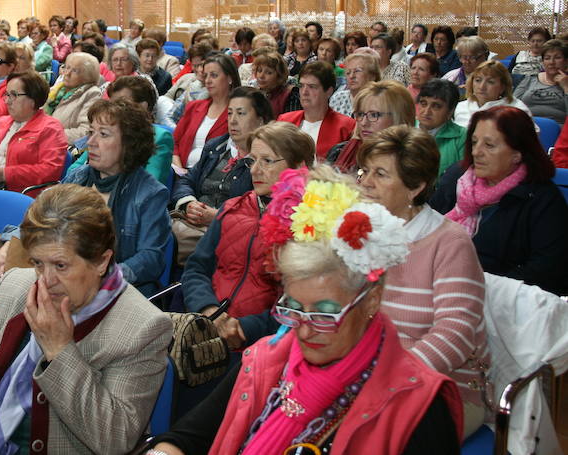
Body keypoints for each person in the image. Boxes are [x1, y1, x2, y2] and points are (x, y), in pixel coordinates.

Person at [148, 166, 462, 455]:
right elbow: (189, 437)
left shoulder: (417, 409)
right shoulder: (267, 361)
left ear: (371, 300)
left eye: (325, 314)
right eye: (293, 308)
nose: (305, 329)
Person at [0, 184, 171, 454]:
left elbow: (116, 438)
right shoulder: (16, 284)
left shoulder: (142, 328)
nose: (46, 281)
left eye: (61, 265)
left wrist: (60, 351)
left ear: (101, 261)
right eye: (38, 263)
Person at [359, 126, 489, 435]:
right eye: (365, 171)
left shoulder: (449, 242)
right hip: (364, 374)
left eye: (380, 174)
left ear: (415, 186)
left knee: (360, 435)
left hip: (444, 387)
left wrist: (386, 379)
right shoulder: (359, 231)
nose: (365, 182)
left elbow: (455, 334)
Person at [181, 121, 314, 349]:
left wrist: (245, 327)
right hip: (207, 328)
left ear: (299, 167)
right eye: (253, 160)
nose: (254, 170)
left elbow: (300, 305)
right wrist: (210, 310)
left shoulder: (309, 224)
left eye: (267, 161)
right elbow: (196, 269)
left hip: (265, 344)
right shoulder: (232, 208)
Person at [431, 106, 568, 295]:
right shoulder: (458, 178)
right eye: (474, 142)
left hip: (503, 302)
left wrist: (474, 287)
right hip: (439, 284)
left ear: (517, 153)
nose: (476, 152)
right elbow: (425, 226)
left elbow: (546, 274)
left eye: (489, 145)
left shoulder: (542, 200)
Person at [62, 100, 170, 296]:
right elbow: (43, 220)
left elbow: (151, 258)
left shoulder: (150, 194)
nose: (91, 142)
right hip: (63, 280)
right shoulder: (78, 177)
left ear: (129, 144)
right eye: (91, 132)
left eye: (103, 134)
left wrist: (101, 277)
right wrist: (12, 242)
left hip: (117, 293)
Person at [171, 87, 271, 265]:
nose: (232, 121)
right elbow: (187, 180)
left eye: (241, 114)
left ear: (261, 120)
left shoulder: (265, 163)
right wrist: (189, 203)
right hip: (192, 224)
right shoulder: (216, 147)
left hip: (230, 237)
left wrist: (217, 217)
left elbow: (260, 214)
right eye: (230, 113)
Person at [0, 71, 67, 196]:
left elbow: (50, 170)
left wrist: (5, 174)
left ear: (33, 99)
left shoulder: (51, 128)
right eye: (6, 94)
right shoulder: (1, 122)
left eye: (14, 95)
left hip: (18, 196)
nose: (7, 101)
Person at [70, 75, 174, 185]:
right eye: (112, 103)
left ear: (143, 107)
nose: (114, 109)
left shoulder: (160, 137)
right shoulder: (100, 132)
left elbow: (151, 183)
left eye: (122, 104)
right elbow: (73, 170)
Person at [326, 80, 415, 174]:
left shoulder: (412, 163)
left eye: (374, 115)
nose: (364, 123)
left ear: (400, 118)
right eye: (360, 114)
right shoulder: (338, 152)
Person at [173, 54, 240, 172]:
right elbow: (174, 143)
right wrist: (179, 169)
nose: (208, 80)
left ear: (230, 78)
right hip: (182, 173)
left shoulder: (238, 113)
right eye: (205, 76)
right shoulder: (194, 107)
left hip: (213, 178)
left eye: (214, 75)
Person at [279, 60, 356, 160]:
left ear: (329, 91)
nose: (304, 92)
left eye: (312, 87)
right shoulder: (285, 121)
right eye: (301, 86)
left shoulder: (346, 127)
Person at [44, 52, 102, 144]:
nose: (67, 73)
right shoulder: (58, 89)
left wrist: (49, 135)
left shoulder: (92, 94)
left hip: (61, 147)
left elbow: (85, 132)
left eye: (75, 71)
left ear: (88, 76)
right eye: (67, 67)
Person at [453, 60, 532, 127]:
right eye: (478, 80)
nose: (481, 87)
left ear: (502, 87)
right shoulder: (460, 107)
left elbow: (529, 140)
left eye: (490, 82)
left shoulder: (517, 109)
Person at [416, 79, 466, 176]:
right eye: (423, 103)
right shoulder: (405, 128)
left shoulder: (462, 137)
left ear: (450, 111)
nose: (426, 112)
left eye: (436, 106)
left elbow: (462, 178)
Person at [513, 38, 568, 124]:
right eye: (547, 58)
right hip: (525, 126)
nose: (551, 62)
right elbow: (512, 104)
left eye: (557, 58)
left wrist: (566, 88)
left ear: (566, 62)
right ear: (542, 62)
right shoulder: (530, 79)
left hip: (557, 130)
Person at [329, 49, 382, 118]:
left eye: (357, 71)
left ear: (372, 76)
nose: (351, 76)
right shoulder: (338, 98)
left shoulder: (382, 100)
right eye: (348, 72)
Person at [250, 51, 301, 115]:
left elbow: (291, 122)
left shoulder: (291, 94)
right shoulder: (254, 94)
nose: (261, 76)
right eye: (259, 71)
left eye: (268, 72)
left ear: (279, 75)